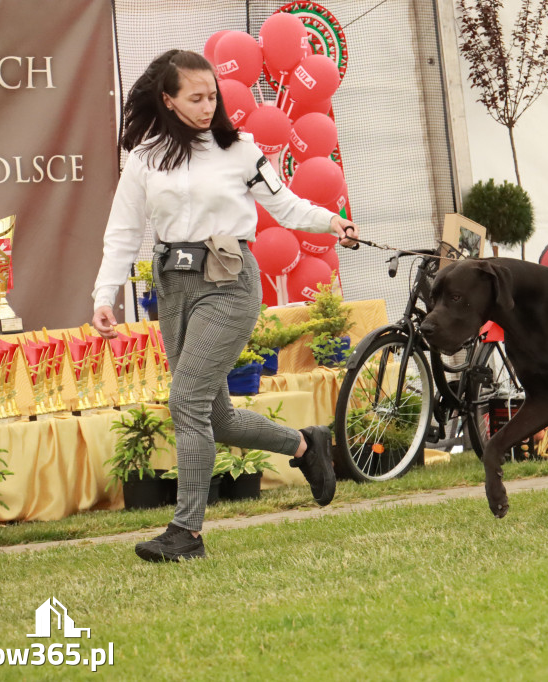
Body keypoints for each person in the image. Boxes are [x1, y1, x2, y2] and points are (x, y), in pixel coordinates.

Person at [91, 49, 359, 562]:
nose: (208, 104)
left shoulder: (240, 150)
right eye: (195, 97)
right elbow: (123, 233)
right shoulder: (144, 158)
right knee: (213, 415)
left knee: (185, 401)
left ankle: (186, 532)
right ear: (167, 100)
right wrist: (106, 295)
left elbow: (284, 203)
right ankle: (306, 445)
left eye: (212, 94)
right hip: (171, 286)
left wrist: (333, 222)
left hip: (230, 284)